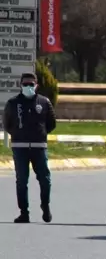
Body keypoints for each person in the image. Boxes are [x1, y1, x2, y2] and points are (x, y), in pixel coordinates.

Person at [3, 73, 57, 223]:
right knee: (21, 180)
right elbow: (7, 124)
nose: (28, 87)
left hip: (39, 147)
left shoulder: (44, 102)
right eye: (25, 84)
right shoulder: (13, 103)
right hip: (20, 147)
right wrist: (18, 134)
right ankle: (24, 212)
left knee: (45, 179)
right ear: (20, 85)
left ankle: (45, 206)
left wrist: (40, 134)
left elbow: (51, 123)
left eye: (31, 85)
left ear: (36, 86)